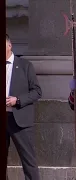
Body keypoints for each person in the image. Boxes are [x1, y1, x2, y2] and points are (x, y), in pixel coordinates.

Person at [6, 34, 42, 180]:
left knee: (28, 161)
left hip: (19, 119)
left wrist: (18, 100)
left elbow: (37, 92)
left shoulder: (25, 65)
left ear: (9, 45)